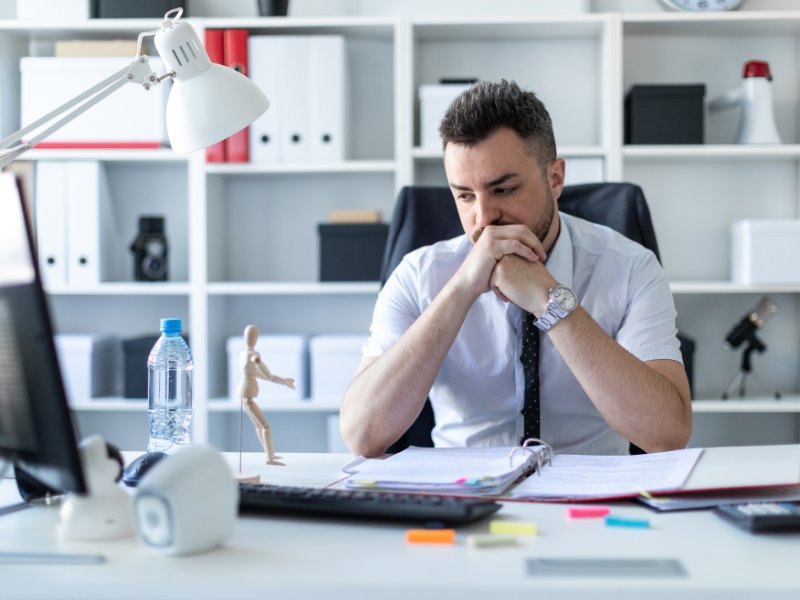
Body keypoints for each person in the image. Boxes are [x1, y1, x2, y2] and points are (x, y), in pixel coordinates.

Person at [340, 80, 692, 458]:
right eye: (464, 195)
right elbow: (363, 435)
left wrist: (550, 302)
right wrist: (461, 290)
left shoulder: (630, 268)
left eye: (503, 190)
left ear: (555, 179)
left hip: (589, 500)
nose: (484, 217)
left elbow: (667, 434)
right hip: (461, 492)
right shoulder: (418, 275)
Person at [238, 324, 295, 466]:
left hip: (245, 393)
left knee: (259, 426)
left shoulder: (242, 354)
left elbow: (258, 374)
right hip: (248, 394)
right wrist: (283, 381)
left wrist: (283, 381)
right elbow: (267, 376)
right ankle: (270, 459)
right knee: (265, 427)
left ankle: (269, 456)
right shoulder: (254, 355)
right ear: (255, 338)